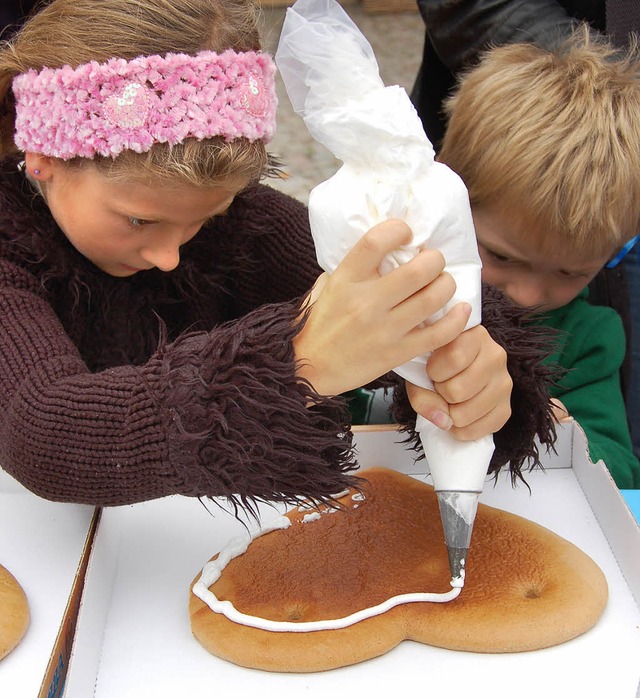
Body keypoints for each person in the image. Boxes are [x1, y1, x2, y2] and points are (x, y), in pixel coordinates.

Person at [0, 0, 555, 510]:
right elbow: (43, 430)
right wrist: (297, 362)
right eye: (140, 220)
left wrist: (459, 354)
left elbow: (387, 305)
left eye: (205, 218)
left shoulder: (246, 224)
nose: (170, 254)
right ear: (42, 155)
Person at [411, 0, 640, 470]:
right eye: (502, 256)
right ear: (450, 202)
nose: (529, 295)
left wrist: (555, 431)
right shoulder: (393, 302)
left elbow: (621, 468)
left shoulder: (589, 339)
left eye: (571, 272)